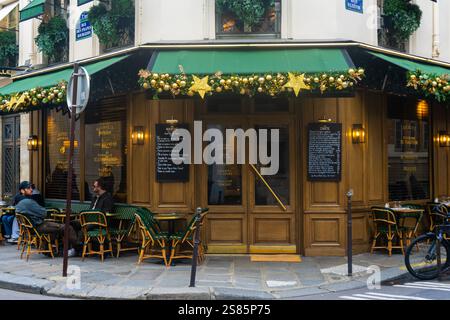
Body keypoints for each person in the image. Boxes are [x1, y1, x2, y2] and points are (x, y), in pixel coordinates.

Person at [15, 181, 78, 257]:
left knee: (57, 226)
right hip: (38, 227)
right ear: (22, 191)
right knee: (67, 227)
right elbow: (44, 213)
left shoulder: (19, 202)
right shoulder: (28, 202)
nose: (31, 189)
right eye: (28, 188)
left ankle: (50, 249)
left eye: (31, 188)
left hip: (31, 229)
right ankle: (78, 248)